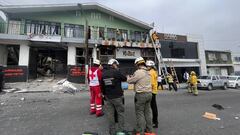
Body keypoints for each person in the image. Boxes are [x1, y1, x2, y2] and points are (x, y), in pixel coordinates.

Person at [127, 57, 155, 135]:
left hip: (141, 95)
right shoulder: (148, 72)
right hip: (149, 94)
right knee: (148, 112)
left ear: (137, 64)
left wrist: (128, 77)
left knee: (140, 113)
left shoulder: (138, 72)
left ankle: (140, 131)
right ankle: (149, 130)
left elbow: (130, 81)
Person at [101, 59, 127, 135]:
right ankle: (121, 131)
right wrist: (118, 71)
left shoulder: (104, 73)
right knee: (120, 113)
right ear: (114, 64)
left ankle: (112, 132)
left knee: (110, 115)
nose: (117, 66)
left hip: (108, 97)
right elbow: (124, 79)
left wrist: (104, 95)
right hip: (118, 97)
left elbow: (102, 86)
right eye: (116, 65)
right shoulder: (116, 72)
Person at [146, 60, 159, 128]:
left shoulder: (150, 73)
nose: (146, 67)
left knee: (152, 107)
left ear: (151, 66)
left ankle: (154, 122)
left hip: (151, 92)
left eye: (148, 66)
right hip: (154, 91)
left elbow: (152, 83)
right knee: (154, 107)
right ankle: (155, 121)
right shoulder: (154, 72)